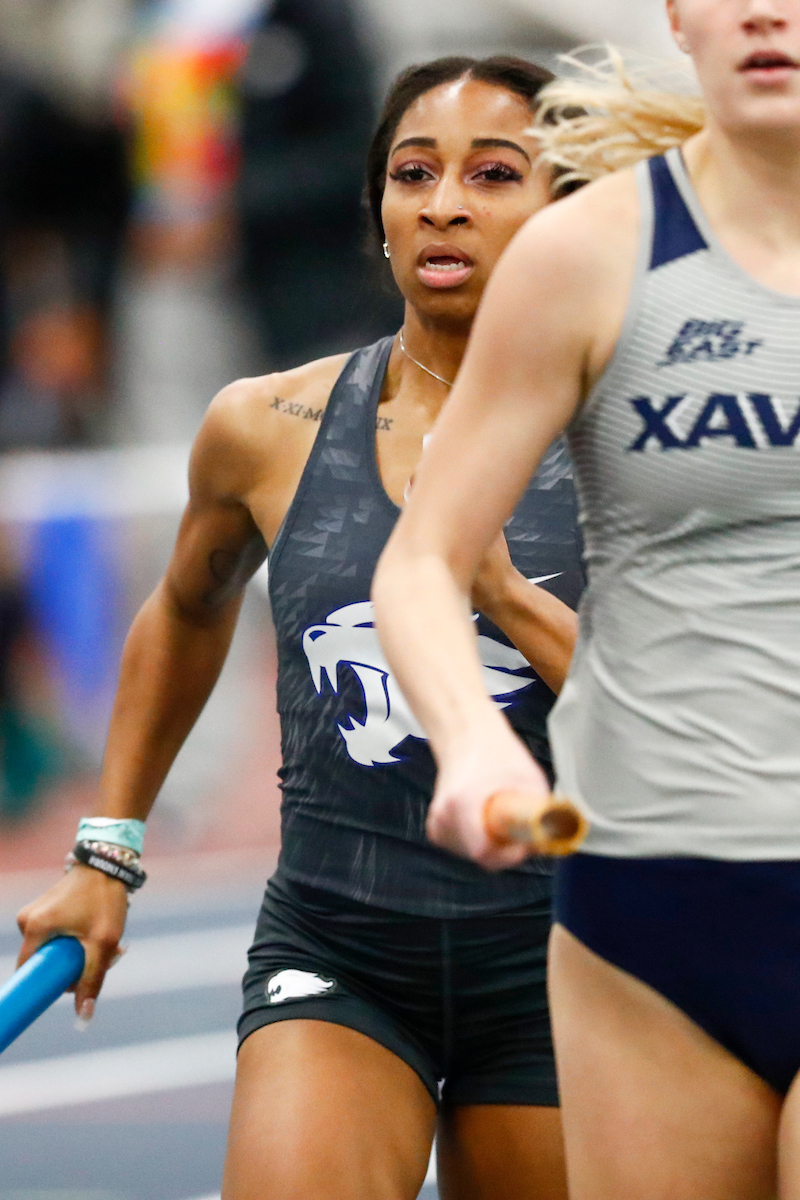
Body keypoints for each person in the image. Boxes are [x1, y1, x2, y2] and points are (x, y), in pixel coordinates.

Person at [15, 56, 587, 1200]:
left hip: (570, 961)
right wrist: (106, 845)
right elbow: (184, 608)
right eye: (412, 173)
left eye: (492, 174)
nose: (443, 204)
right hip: (339, 947)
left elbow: (680, 718)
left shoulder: (634, 448)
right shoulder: (267, 427)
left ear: (564, 213)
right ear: (375, 210)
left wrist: (504, 598)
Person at [373, 4, 800, 1199]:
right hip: (645, 917)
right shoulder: (586, 253)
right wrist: (469, 746)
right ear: (678, 11)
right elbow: (420, 560)